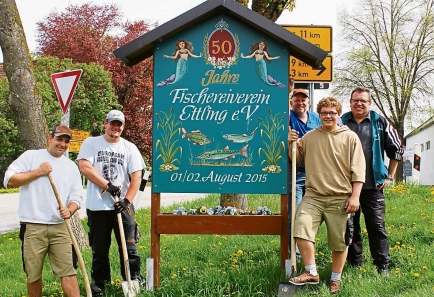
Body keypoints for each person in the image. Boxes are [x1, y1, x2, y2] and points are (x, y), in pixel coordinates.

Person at [287, 97, 366, 294]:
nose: (328, 116)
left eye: (332, 112)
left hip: (340, 197)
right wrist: (291, 145)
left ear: (339, 114)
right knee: (300, 229)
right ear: (319, 115)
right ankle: (311, 272)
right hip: (313, 196)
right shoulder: (310, 136)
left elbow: (358, 169)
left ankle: (335, 279)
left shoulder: (350, 137)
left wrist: (355, 196)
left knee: (339, 240)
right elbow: (296, 159)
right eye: (324, 113)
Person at [3, 125, 83, 297]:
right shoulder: (32, 156)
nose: (62, 144)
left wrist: (69, 210)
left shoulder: (71, 167)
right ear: (50, 138)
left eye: (66, 141)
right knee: (33, 273)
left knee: (68, 270)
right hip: (33, 226)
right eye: (59, 139)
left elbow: (77, 196)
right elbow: (9, 180)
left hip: (61, 227)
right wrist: (39, 172)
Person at [77, 110, 146, 296]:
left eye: (119, 124)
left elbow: (136, 178)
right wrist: (107, 185)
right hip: (98, 207)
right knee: (100, 250)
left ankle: (133, 281)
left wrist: (127, 201)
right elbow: (84, 167)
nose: (116, 127)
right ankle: (100, 286)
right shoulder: (91, 143)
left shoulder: (130, 148)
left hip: (123, 207)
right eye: (113, 123)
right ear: (105, 123)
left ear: (123, 127)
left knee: (129, 247)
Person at [341, 87, 404, 274]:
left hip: (373, 185)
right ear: (350, 102)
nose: (359, 103)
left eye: (363, 100)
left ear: (369, 103)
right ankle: (354, 264)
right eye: (355, 100)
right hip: (346, 186)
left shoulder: (380, 122)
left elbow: (397, 150)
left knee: (376, 226)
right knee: (350, 228)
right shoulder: (341, 122)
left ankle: (382, 266)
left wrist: (389, 175)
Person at [287, 88, 321, 257]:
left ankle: (309, 249)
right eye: (296, 100)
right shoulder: (286, 117)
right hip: (296, 173)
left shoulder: (316, 118)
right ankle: (295, 254)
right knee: (295, 212)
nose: (300, 103)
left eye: (303, 100)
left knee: (311, 214)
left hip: (316, 173)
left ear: (308, 102)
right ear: (291, 102)